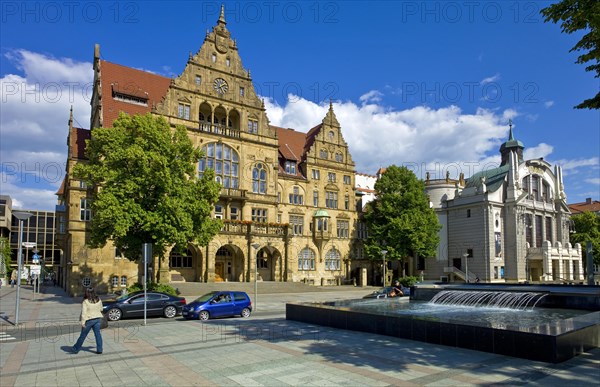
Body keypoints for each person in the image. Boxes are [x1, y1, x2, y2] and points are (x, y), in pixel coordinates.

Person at [72, 287, 104, 354]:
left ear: (87, 293)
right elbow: (101, 309)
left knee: (83, 335)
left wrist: (83, 323)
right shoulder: (98, 299)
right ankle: (99, 350)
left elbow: (84, 313)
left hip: (89, 320)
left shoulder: (85, 301)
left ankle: (76, 348)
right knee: (98, 335)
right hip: (98, 319)